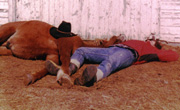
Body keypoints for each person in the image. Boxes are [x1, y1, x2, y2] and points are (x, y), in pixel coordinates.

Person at [45, 35, 179, 87]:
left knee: (111, 62)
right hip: (114, 48)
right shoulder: (132, 40)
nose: (151, 38)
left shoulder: (153, 50)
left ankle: (91, 78)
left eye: (154, 39)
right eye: (150, 37)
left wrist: (162, 48)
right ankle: (68, 70)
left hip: (127, 54)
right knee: (82, 50)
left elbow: (173, 56)